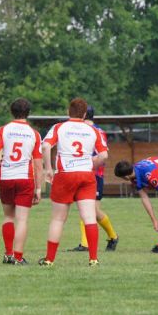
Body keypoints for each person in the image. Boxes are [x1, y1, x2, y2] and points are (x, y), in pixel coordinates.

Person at [39, 98, 108, 267]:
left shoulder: (59, 127)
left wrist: (48, 168)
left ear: (67, 112)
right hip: (86, 175)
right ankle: (93, 259)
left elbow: (46, 146)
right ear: (85, 114)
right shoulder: (93, 130)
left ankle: (49, 259)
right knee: (89, 218)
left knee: (58, 219)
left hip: (65, 174)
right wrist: (89, 164)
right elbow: (104, 156)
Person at [0, 98, 43, 265]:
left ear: (12, 112)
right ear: (28, 113)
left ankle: (8, 254)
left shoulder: (3, 130)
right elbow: (38, 164)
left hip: (6, 177)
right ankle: (18, 257)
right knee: (22, 219)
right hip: (25, 179)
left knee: (8, 216)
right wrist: (39, 188)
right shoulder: (34, 134)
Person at [68, 106, 119, 252]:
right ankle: (87, 243)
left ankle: (111, 236)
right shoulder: (81, 129)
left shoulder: (97, 131)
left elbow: (102, 155)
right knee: (86, 209)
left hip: (94, 175)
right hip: (83, 173)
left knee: (92, 210)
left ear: (82, 115)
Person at [115, 157, 158, 253]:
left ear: (126, 176)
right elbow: (144, 198)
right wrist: (154, 220)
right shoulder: (133, 174)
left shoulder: (149, 174)